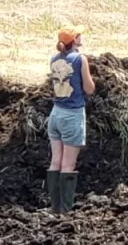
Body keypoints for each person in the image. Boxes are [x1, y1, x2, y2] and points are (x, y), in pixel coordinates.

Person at [46, 26, 95, 215]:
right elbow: (89, 88)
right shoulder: (79, 59)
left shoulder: (54, 59)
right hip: (72, 115)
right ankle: (65, 212)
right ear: (74, 41)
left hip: (55, 114)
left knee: (55, 161)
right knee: (68, 165)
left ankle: (55, 209)